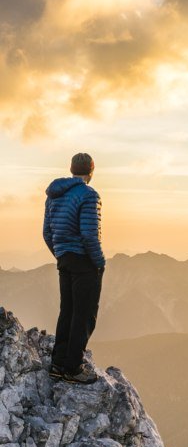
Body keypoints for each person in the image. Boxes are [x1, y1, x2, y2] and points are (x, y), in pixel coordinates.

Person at [42, 153, 105, 385]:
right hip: (84, 261)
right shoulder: (89, 195)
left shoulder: (53, 195)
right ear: (91, 171)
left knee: (67, 310)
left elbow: (47, 233)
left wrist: (61, 253)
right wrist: (99, 262)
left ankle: (58, 364)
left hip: (64, 259)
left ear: (71, 169)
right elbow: (90, 235)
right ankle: (73, 368)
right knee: (84, 314)